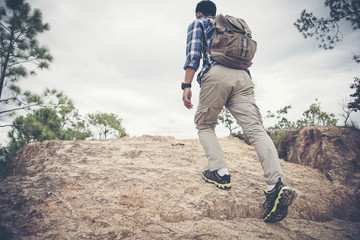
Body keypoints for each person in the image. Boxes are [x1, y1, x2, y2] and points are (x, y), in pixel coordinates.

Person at [182, 0, 295, 223]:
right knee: (255, 129)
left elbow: (193, 55)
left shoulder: (199, 23)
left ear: (199, 13)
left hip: (215, 74)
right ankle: (276, 185)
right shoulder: (232, 26)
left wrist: (186, 85)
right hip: (243, 77)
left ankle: (220, 173)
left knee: (205, 125)